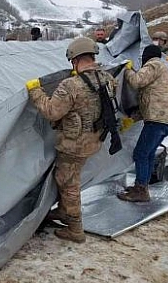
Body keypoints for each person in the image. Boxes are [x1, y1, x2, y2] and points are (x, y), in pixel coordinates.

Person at [25, 37, 116, 243]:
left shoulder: (71, 85)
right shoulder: (107, 78)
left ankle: (75, 229)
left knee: (69, 184)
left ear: (74, 60)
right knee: (70, 179)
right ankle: (64, 212)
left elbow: (51, 112)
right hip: (94, 139)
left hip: (73, 146)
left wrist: (35, 92)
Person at [118, 45, 168, 203]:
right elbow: (152, 99)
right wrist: (133, 118)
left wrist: (127, 69)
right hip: (166, 121)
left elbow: (137, 81)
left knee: (141, 153)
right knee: (148, 154)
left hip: (157, 121)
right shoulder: (164, 70)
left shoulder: (154, 64)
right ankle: (142, 186)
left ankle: (141, 189)